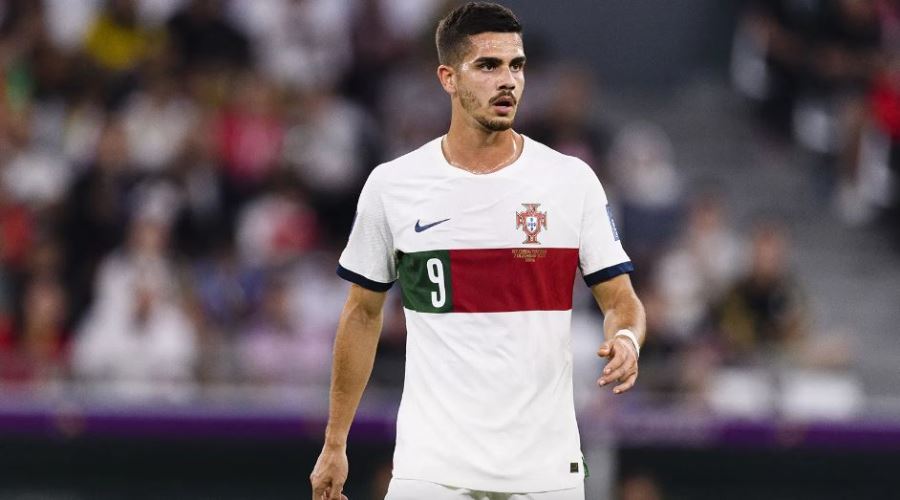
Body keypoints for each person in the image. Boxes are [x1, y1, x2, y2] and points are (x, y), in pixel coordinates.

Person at [310, 3, 646, 499]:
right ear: (448, 78)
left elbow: (621, 300)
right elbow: (362, 314)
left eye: (517, 65)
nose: (507, 80)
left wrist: (627, 340)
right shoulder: (394, 186)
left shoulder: (570, 181)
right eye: (488, 65)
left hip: (544, 473)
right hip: (431, 470)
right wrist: (335, 441)